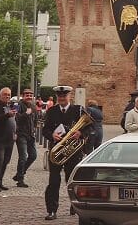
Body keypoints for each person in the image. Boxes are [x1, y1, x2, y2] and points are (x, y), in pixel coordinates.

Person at [42, 86, 91, 221]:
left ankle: (74, 205)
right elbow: (45, 130)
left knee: (72, 180)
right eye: (60, 96)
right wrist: (52, 135)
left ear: (70, 96)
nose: (62, 98)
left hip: (73, 152)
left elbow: (90, 127)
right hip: (57, 151)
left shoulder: (78, 110)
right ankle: (52, 210)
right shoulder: (52, 111)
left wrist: (80, 133)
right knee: (53, 181)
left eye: (65, 95)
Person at [13, 89, 37, 187]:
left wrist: (34, 128)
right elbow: (16, 118)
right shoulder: (17, 105)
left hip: (31, 135)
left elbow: (35, 119)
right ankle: (20, 180)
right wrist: (26, 114)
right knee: (23, 157)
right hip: (21, 134)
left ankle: (19, 174)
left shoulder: (33, 106)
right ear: (23, 96)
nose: (29, 97)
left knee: (33, 156)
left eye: (31, 95)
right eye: (27, 95)